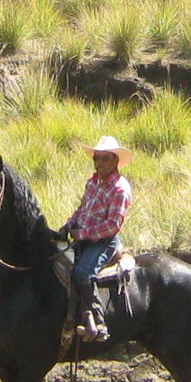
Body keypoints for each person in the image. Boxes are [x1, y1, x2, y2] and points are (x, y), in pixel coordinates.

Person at [59, 136, 130, 348]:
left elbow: (113, 225)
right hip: (83, 236)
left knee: (82, 273)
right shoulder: (92, 182)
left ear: (115, 161)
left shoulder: (120, 189)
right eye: (97, 158)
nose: (100, 163)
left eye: (105, 159)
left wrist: (84, 234)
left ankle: (98, 322)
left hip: (104, 242)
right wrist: (69, 224)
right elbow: (83, 209)